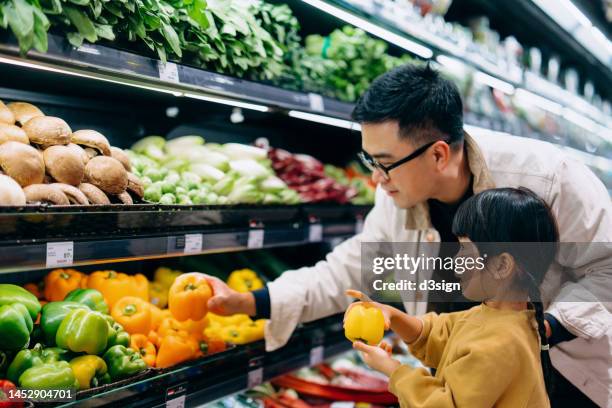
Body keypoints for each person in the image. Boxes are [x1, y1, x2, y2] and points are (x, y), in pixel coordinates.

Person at [203, 64, 612, 407]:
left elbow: (606, 268)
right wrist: (251, 301)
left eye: (384, 163)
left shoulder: (548, 178)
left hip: (563, 382)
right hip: (457, 381)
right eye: (369, 160)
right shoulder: (398, 197)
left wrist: (545, 327)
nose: (375, 178)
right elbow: (351, 268)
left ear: (437, 153)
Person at [347, 187, 556, 407]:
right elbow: (439, 334)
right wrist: (392, 315)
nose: (456, 260)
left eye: (465, 250)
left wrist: (392, 369)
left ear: (502, 265)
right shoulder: (500, 317)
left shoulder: (499, 344)